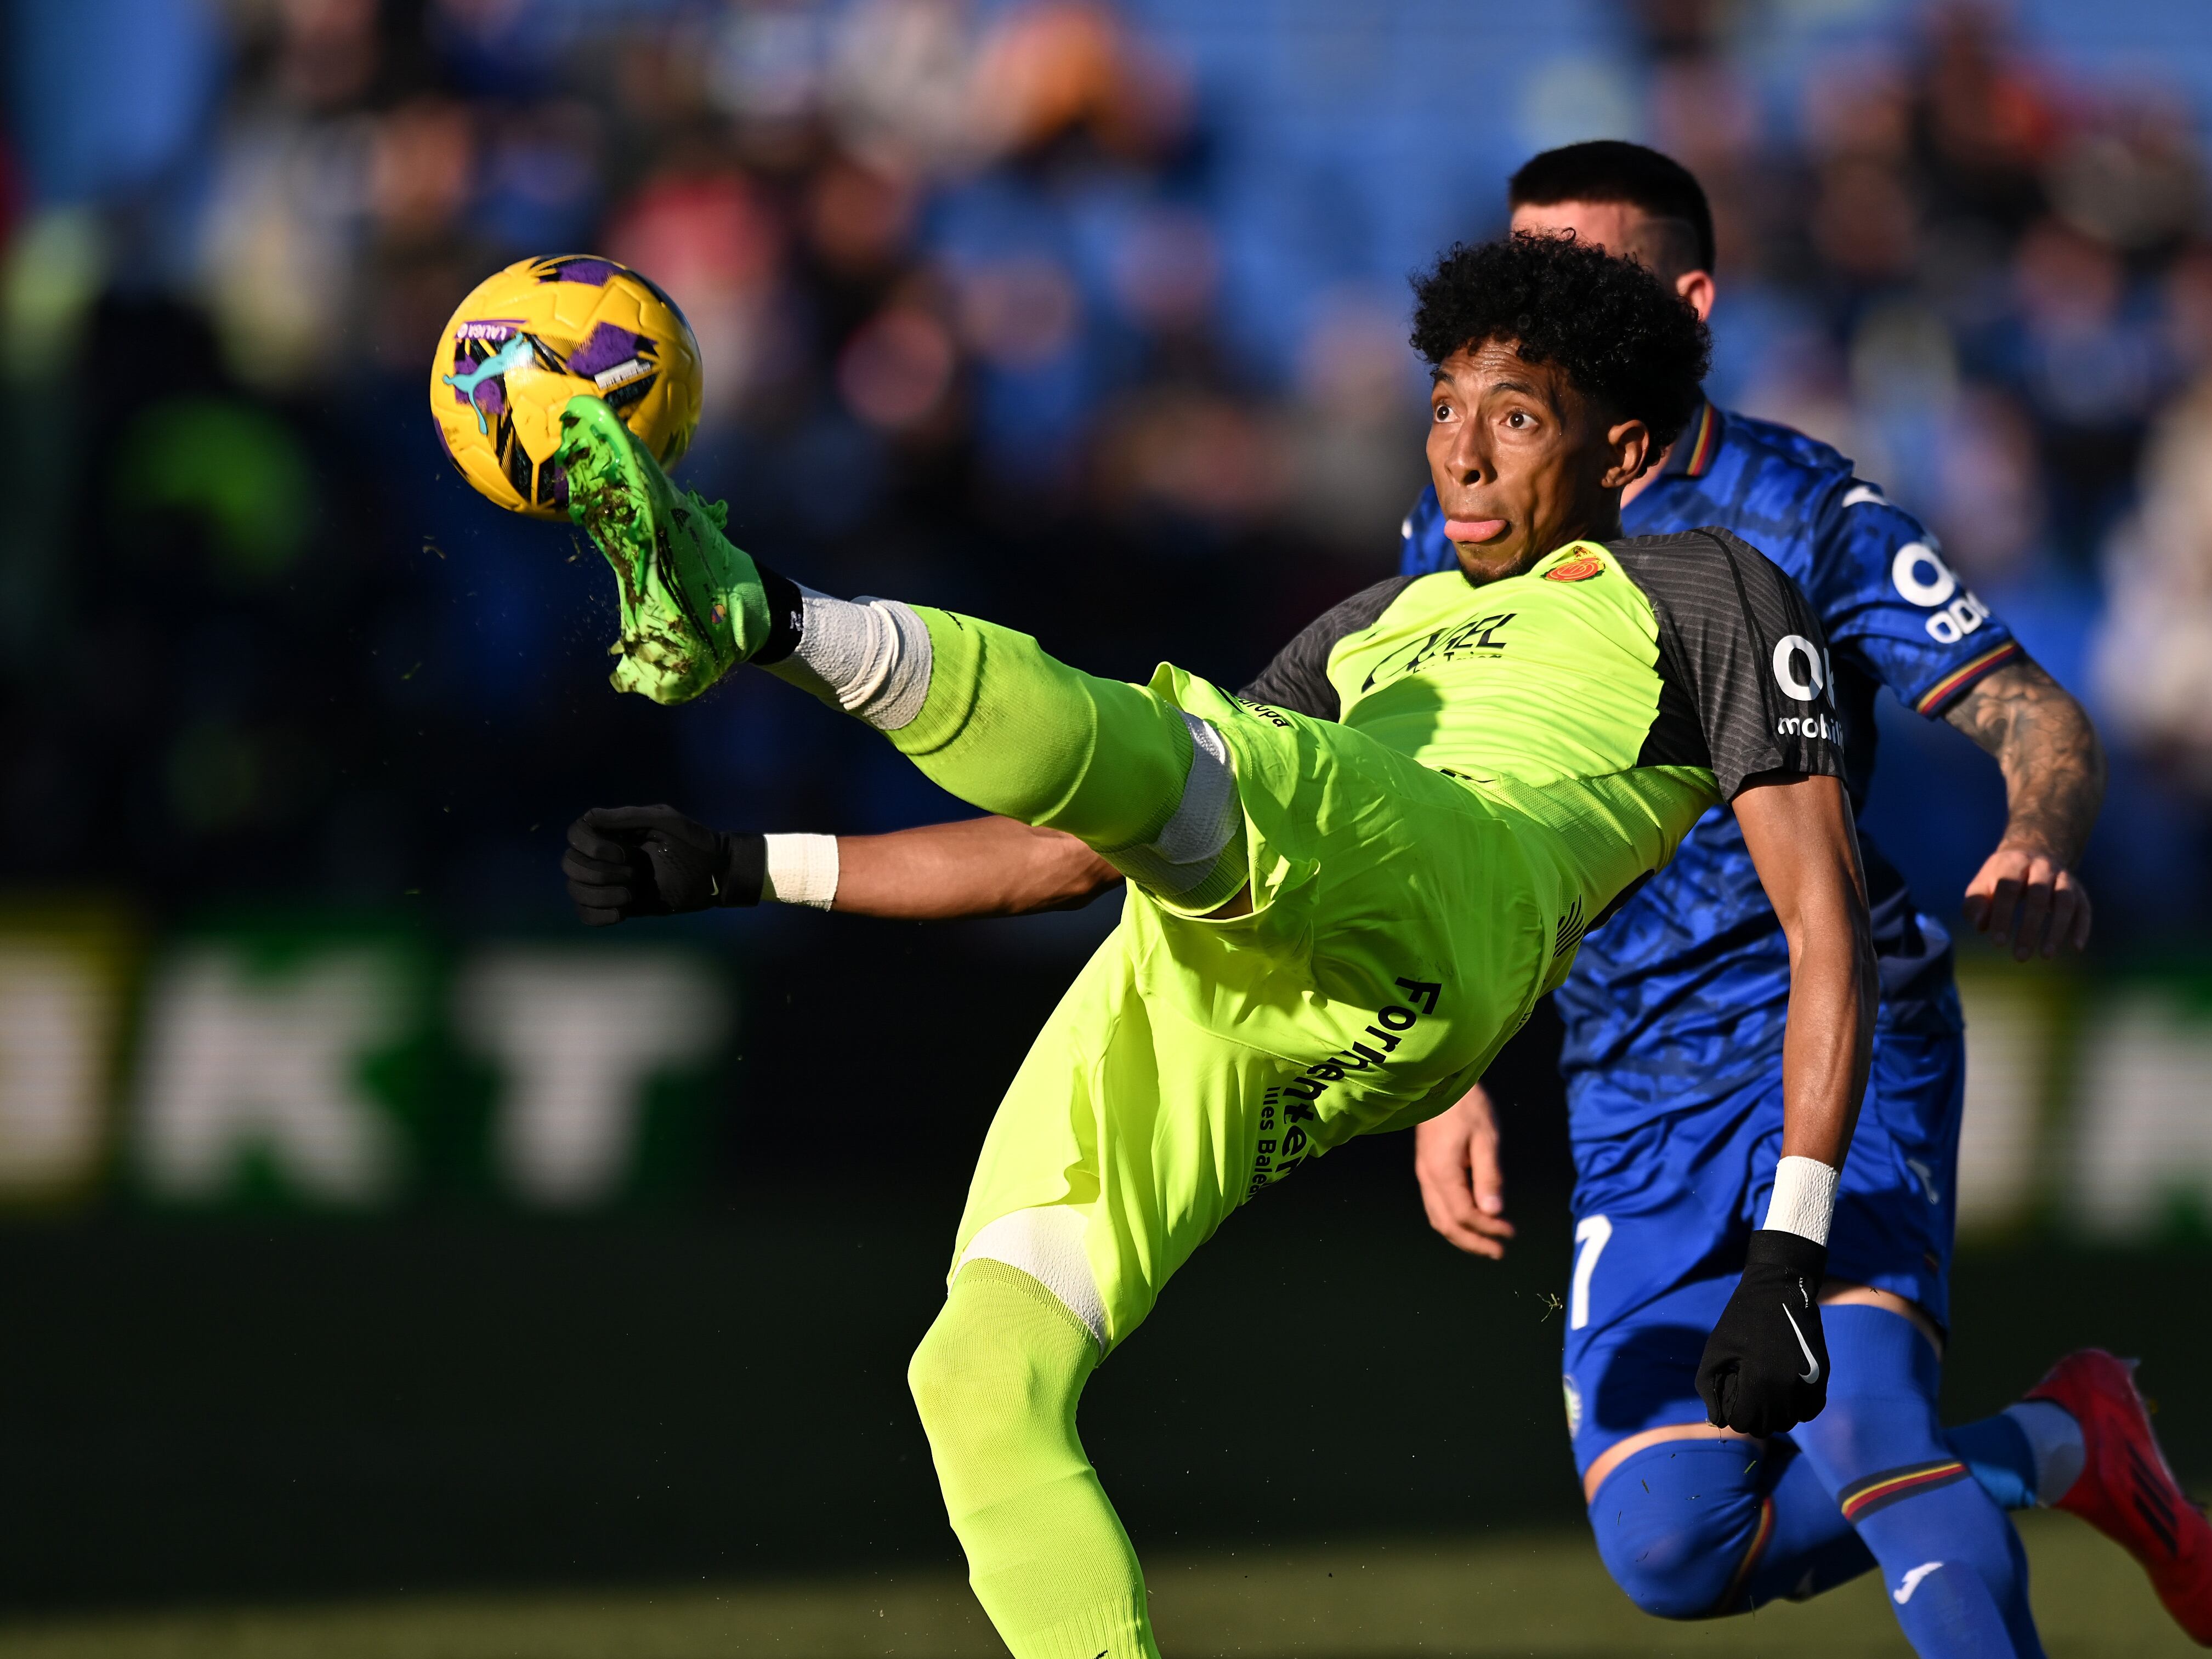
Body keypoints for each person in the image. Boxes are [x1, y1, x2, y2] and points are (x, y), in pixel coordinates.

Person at [548, 232, 1879, 1659]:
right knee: (978, 1371)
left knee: (1201, 760)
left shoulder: (1706, 591)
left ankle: (765, 611)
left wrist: (1786, 1248)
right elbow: (1081, 840)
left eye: (1512, 414)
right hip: (1219, 965)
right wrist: (746, 864)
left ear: (1617, 447)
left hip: (1449, 890)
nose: (1463, 456)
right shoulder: (1375, 625)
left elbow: (1826, 932)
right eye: (1442, 408)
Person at [1397, 144, 2208, 1654]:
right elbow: (1446, 818)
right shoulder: (1461, 520)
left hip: (1827, 1023)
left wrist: (2035, 826)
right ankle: (2063, 1441)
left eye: (1571, 273)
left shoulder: (1796, 506)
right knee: (1671, 1550)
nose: (1527, 314)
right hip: (1627, 1076)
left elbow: (2033, 708)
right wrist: (1444, 1072)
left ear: (1683, 299)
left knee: (1868, 1433)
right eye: (1514, 273)